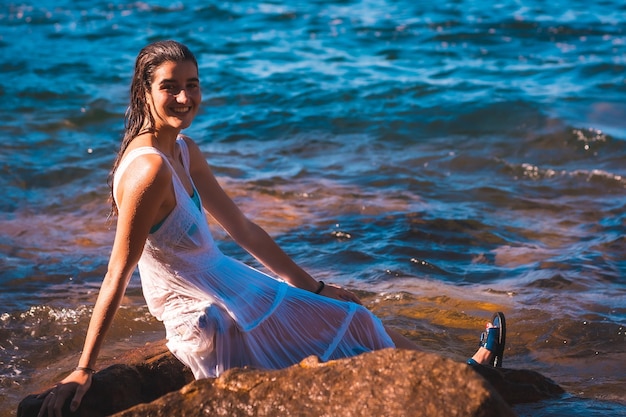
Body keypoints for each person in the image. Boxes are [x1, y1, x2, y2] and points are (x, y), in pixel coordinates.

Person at [37, 40, 505, 417]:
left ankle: (460, 374)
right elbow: (118, 271)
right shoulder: (148, 171)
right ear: (145, 92)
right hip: (197, 304)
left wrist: (314, 285)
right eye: (170, 87)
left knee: (355, 316)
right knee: (340, 329)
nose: (184, 97)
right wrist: (84, 368)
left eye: (192, 84)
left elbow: (242, 226)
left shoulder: (184, 150)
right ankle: (460, 380)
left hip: (226, 278)